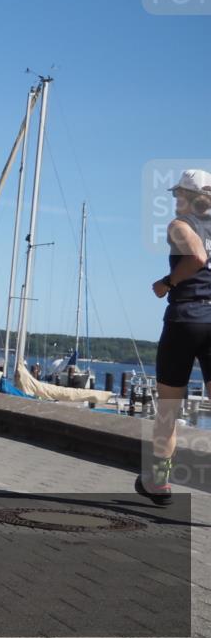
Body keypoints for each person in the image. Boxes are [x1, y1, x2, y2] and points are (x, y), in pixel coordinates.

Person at [137, 168, 211, 506]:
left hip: (185, 317)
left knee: (168, 407)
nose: (174, 200)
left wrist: (167, 283)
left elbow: (197, 257)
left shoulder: (179, 226)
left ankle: (160, 482)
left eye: (177, 194)